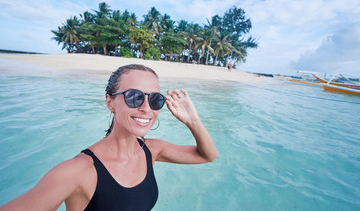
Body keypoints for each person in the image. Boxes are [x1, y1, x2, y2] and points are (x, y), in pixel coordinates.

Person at [0, 64, 218, 211]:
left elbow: (208, 155)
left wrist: (193, 121)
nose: (145, 108)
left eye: (155, 100)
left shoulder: (152, 151)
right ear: (110, 102)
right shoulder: (78, 171)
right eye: (134, 97)